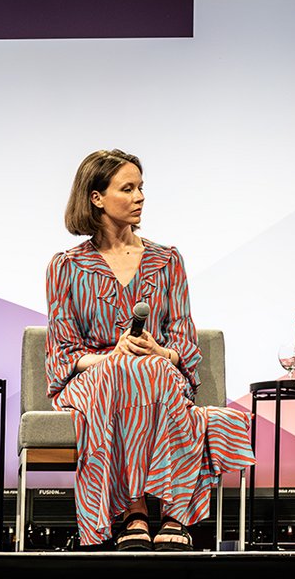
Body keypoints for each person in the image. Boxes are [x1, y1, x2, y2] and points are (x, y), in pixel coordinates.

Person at [44, 149, 253, 550]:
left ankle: (153, 512)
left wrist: (160, 351)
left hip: (159, 373)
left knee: (149, 371)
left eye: (141, 187)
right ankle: (137, 510)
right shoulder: (65, 266)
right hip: (92, 380)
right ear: (96, 198)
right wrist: (111, 357)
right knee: (123, 371)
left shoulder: (167, 260)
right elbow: (63, 351)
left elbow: (185, 341)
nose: (140, 196)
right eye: (128, 188)